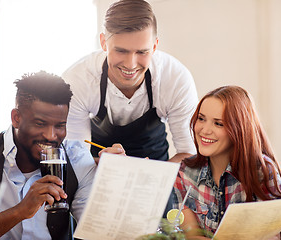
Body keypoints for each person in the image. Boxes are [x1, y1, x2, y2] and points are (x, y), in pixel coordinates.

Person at [0, 71, 97, 240]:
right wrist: (19, 212)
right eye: (40, 123)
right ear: (16, 118)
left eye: (60, 125)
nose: (52, 136)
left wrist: (115, 177)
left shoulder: (76, 158)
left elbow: (96, 232)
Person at [62, 0, 198, 163]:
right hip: (96, 173)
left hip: (158, 172)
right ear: (104, 42)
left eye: (142, 52)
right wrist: (105, 164)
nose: (130, 64)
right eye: (121, 51)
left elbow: (189, 154)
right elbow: (73, 155)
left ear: (154, 47)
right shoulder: (77, 81)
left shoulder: (175, 78)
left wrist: (150, 174)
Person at [174, 85, 281, 239]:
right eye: (201, 119)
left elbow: (274, 235)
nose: (205, 130)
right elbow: (191, 236)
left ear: (239, 128)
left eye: (218, 123)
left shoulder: (262, 171)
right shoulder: (184, 172)